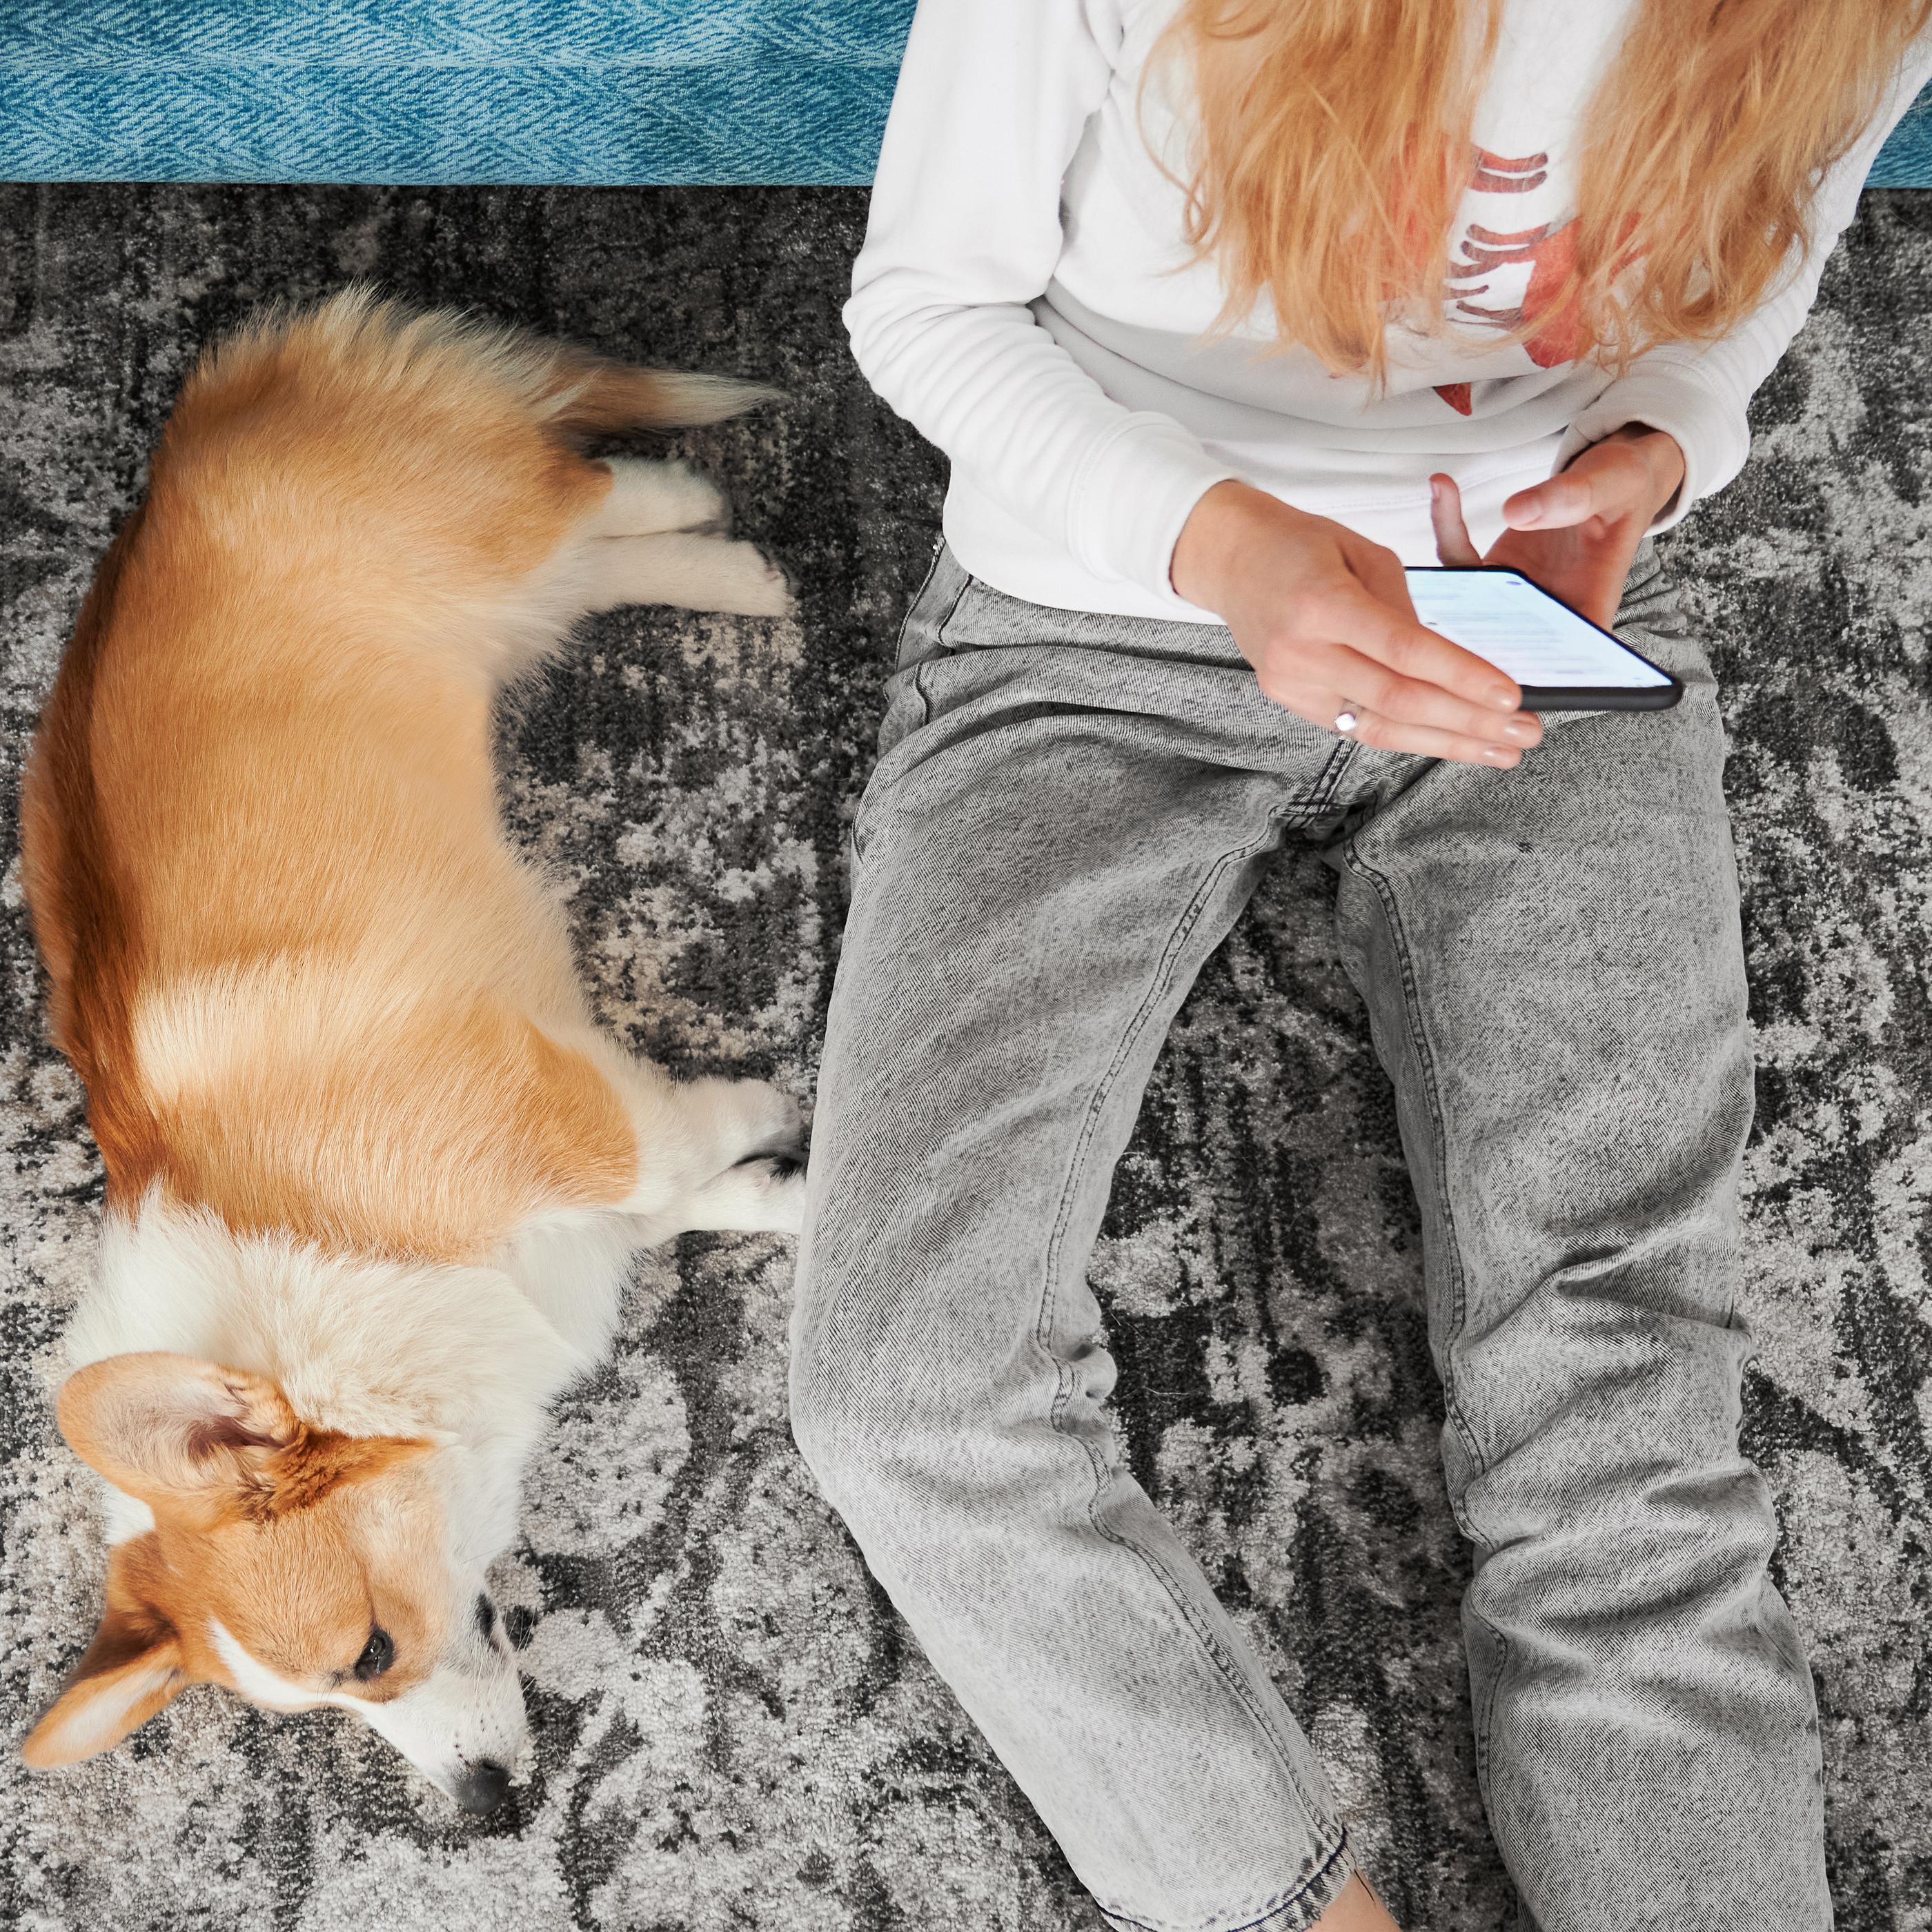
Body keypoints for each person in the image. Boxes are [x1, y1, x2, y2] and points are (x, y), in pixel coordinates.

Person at [789, 4, 1932, 1927]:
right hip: (1093, 623)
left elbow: (1752, 266)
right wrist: (1229, 551)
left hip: (1536, 618)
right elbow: (925, 309)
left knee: (1623, 1389)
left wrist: (1653, 457)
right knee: (908, 1391)